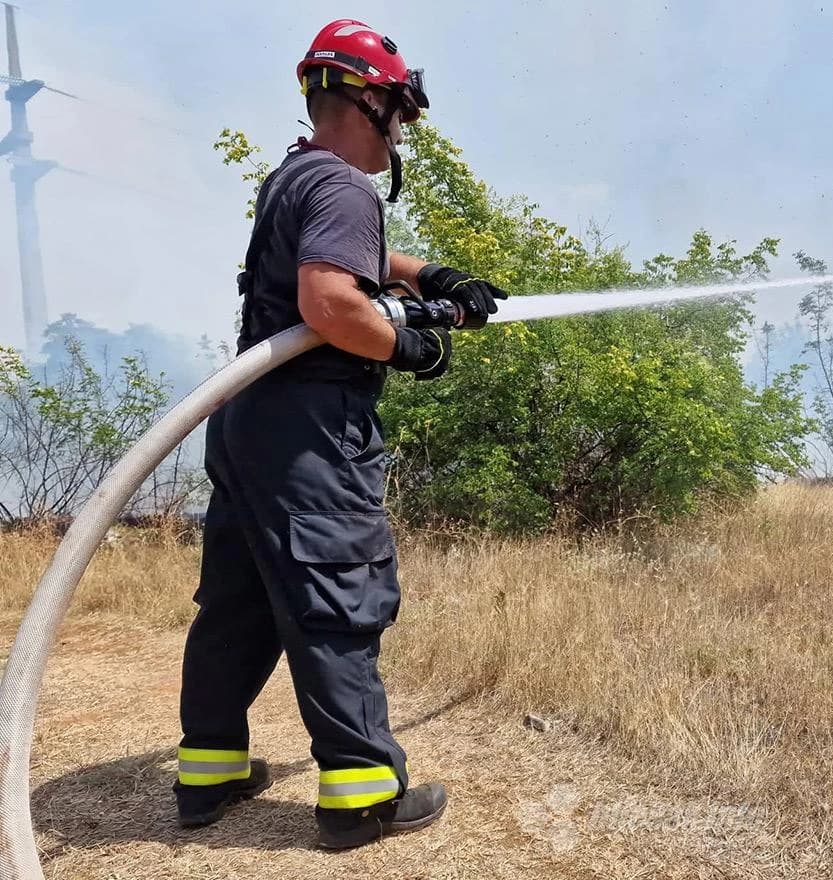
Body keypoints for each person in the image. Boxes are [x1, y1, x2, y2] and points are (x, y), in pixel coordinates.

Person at [171, 18, 508, 850]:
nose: (402, 132)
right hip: (310, 432)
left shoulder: (294, 177)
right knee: (336, 593)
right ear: (371, 102)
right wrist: (411, 345)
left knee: (240, 602)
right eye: (400, 113)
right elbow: (329, 301)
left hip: (248, 420)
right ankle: (362, 795)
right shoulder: (345, 188)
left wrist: (427, 275)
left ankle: (207, 771)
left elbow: (346, 261)